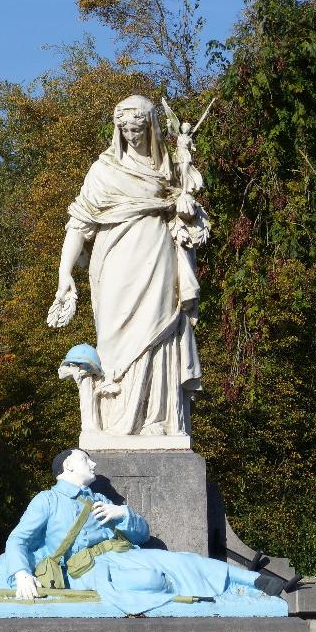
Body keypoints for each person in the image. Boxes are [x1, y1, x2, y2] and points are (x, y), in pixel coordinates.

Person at [48, 95, 209, 437]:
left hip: (157, 258)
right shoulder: (103, 170)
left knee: (158, 330)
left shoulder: (168, 171)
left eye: (137, 130)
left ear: (150, 128)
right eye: (125, 130)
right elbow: (78, 223)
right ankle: (116, 419)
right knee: (115, 339)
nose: (131, 136)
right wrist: (64, 275)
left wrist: (185, 201)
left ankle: (156, 420)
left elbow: (188, 210)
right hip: (114, 264)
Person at [0, 449, 286, 615]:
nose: (92, 463)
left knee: (184, 560)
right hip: (90, 569)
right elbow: (18, 539)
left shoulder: (101, 500)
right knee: (152, 580)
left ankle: (257, 582)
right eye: (84, 459)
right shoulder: (48, 500)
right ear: (67, 465)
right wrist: (21, 574)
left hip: (127, 555)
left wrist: (123, 514)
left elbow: (142, 535)